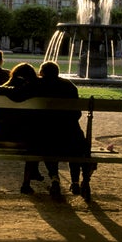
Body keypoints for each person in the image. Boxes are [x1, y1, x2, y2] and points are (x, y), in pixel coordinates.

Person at [33, 61, 91, 199]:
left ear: (42, 73)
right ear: (58, 73)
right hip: (72, 137)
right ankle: (75, 181)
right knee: (75, 144)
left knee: (46, 144)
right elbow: (77, 114)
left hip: (48, 136)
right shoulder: (69, 86)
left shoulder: (39, 85)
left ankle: (54, 178)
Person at [0, 63, 46, 193]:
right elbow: (20, 95)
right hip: (16, 139)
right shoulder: (29, 92)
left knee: (33, 137)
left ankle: (34, 173)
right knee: (35, 141)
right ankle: (26, 183)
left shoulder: (1, 89)